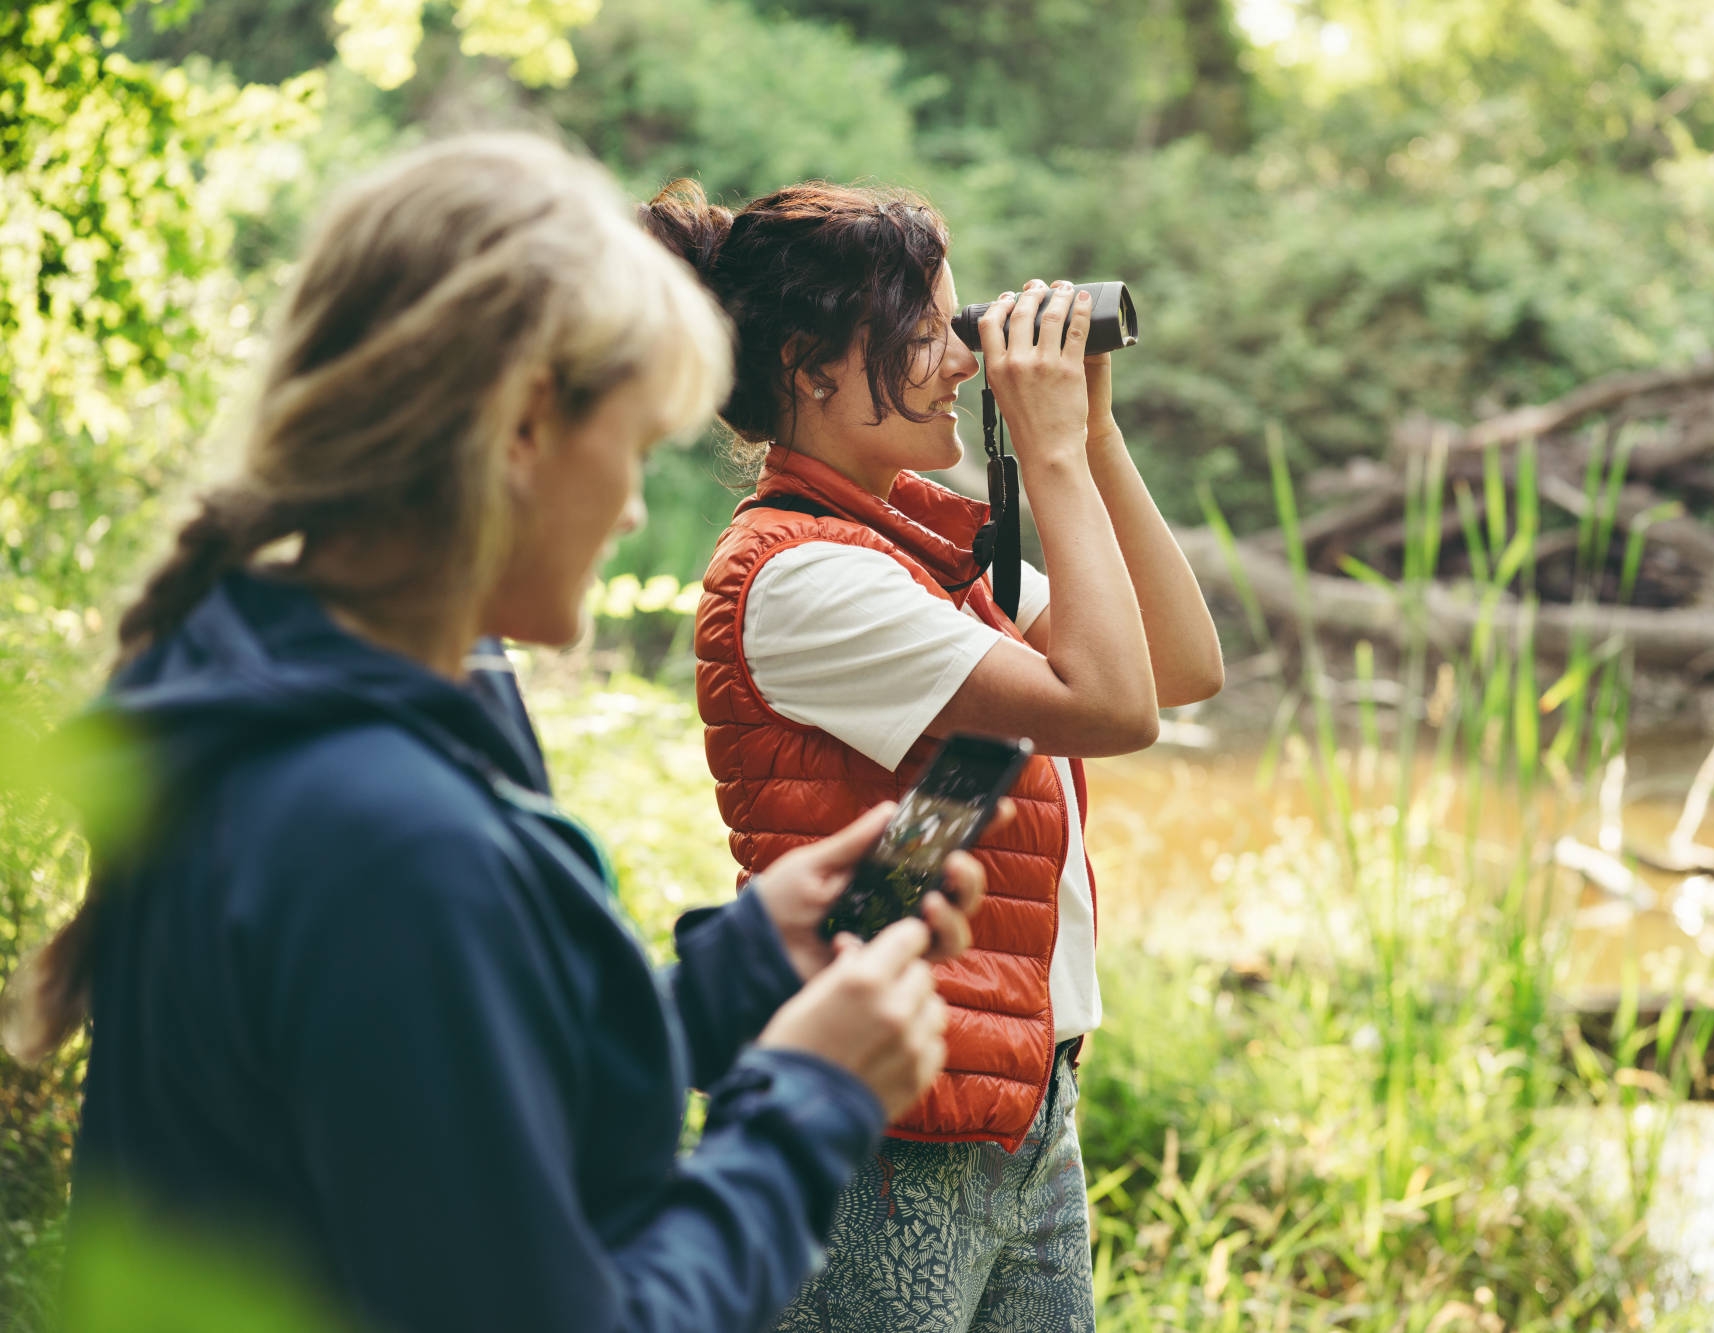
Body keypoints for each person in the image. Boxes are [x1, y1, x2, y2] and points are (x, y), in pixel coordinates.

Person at [0, 133, 993, 1333]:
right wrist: (807, 1102)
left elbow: (424, 1105)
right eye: (630, 446)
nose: (630, 510)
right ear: (523, 429)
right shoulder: (394, 839)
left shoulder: (248, 697)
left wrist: (730, 978)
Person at [640, 179, 1224, 1332]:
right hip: (887, 1136)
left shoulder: (915, 550)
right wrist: (1048, 458)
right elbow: (1112, 707)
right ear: (810, 369)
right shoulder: (801, 578)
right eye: (924, 333)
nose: (965, 357)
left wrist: (1090, 437)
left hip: (1014, 1106)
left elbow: (1176, 665)